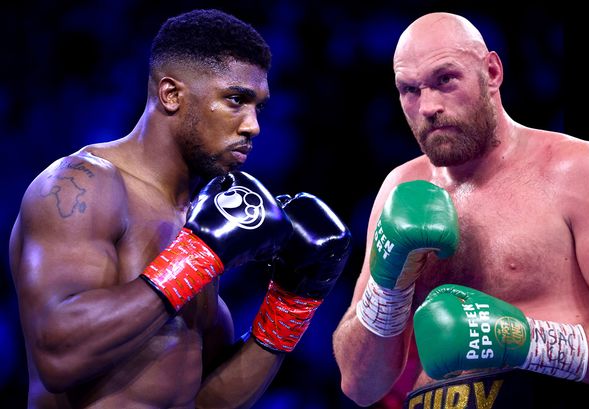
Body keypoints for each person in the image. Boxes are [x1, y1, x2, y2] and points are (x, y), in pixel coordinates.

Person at [9, 9, 352, 409]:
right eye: (236, 100)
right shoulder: (82, 185)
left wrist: (290, 303)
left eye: (258, 107)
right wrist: (193, 259)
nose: (253, 126)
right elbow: (57, 356)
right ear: (171, 94)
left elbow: (203, 400)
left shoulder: (198, 214)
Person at [332, 11, 589, 409]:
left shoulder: (579, 170)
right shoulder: (401, 188)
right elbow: (360, 385)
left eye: (445, 80)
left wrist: (524, 342)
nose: (428, 106)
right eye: (409, 90)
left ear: (492, 72)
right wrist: (388, 288)